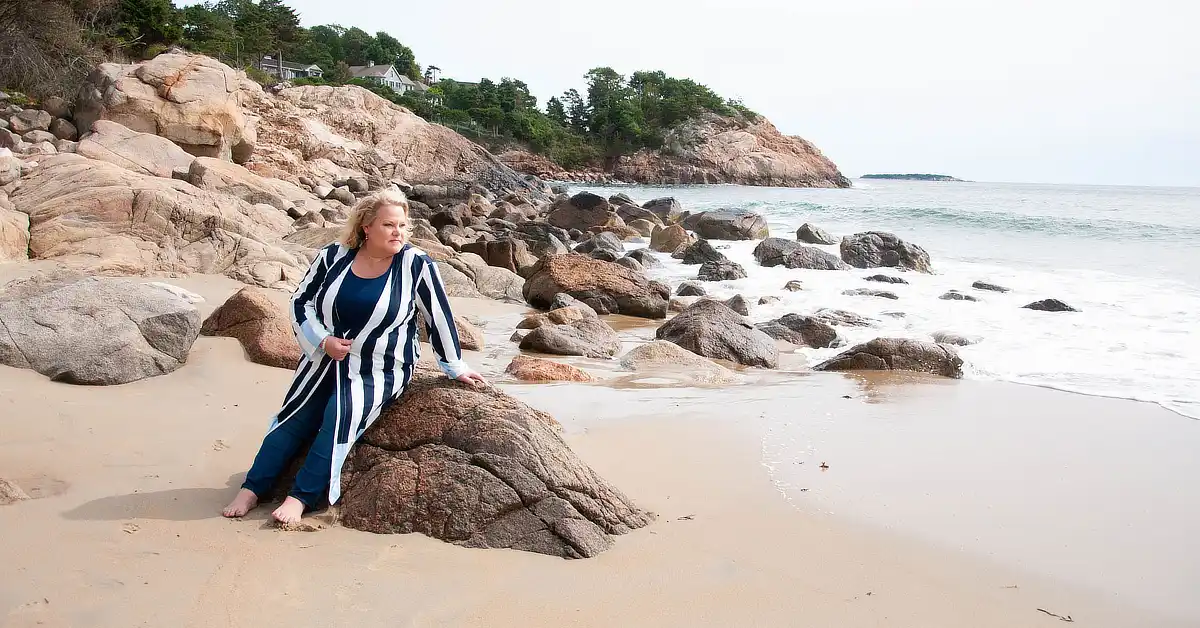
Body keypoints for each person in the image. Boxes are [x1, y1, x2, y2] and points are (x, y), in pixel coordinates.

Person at [221, 189, 487, 524]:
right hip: (324, 359)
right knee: (295, 416)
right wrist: (321, 340)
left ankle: (300, 497)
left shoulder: (415, 264)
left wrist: (454, 365)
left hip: (380, 367)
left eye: (403, 225)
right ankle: (251, 489)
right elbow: (300, 302)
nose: (398, 232)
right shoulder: (334, 255)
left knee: (339, 413)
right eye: (389, 225)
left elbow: (438, 315)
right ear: (366, 227)